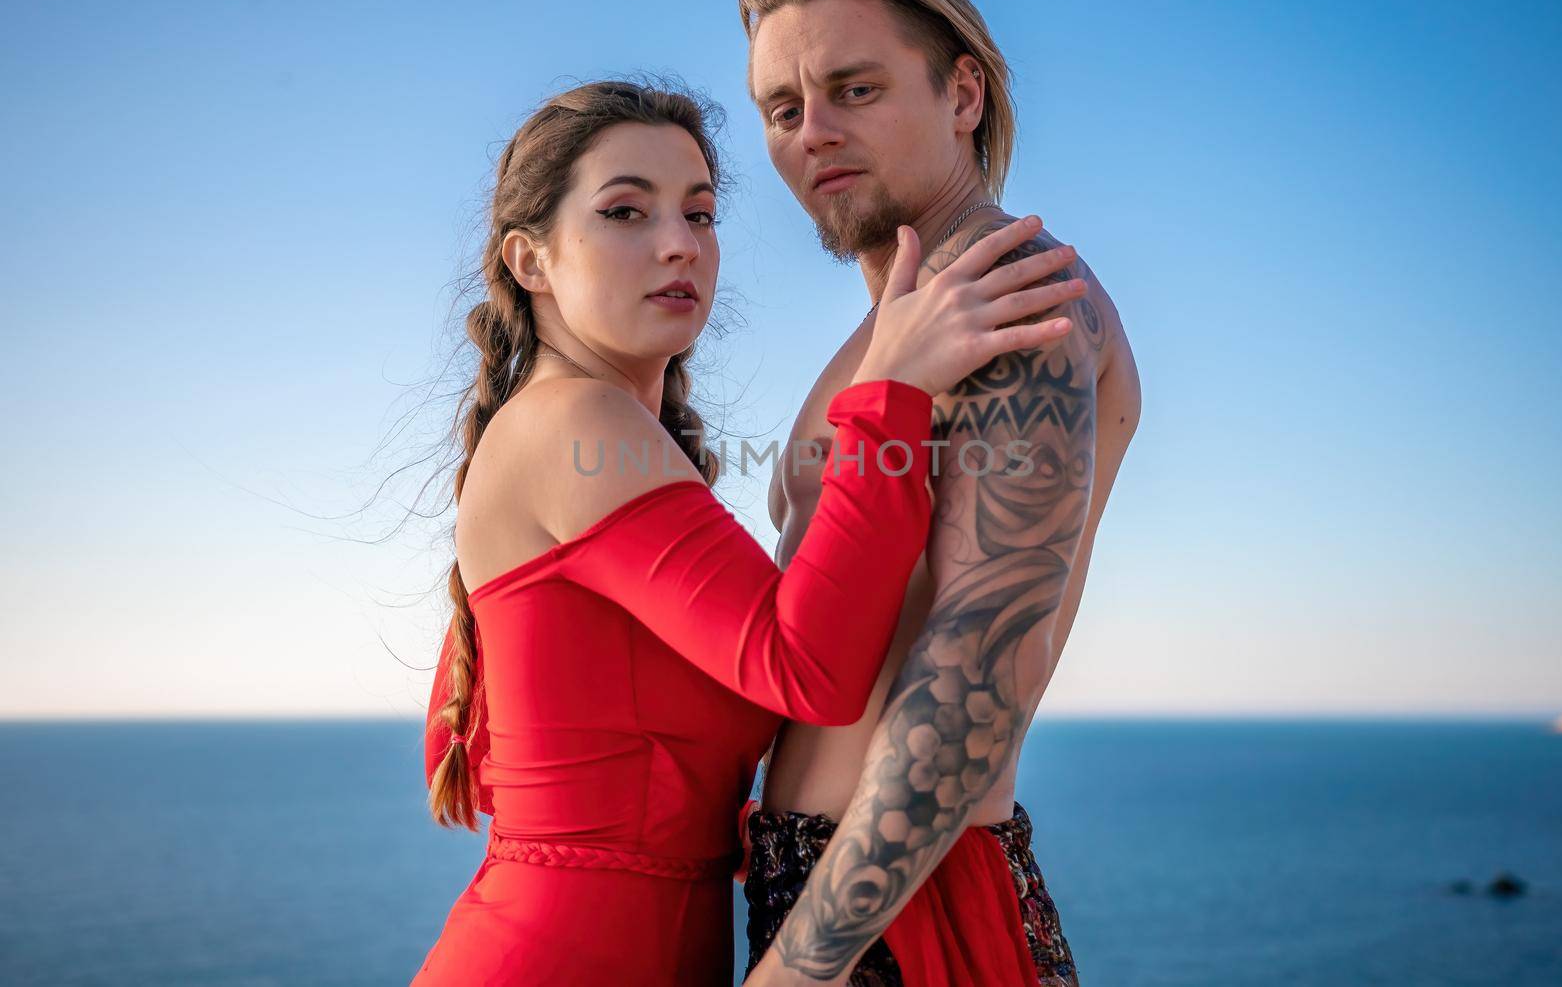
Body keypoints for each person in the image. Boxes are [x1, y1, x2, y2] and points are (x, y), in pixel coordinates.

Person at [410, 79, 1088, 985]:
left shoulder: (603, 435)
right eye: (624, 210)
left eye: (699, 212)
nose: (677, 244)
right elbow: (805, 664)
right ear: (531, 260)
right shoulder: (570, 423)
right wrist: (892, 389)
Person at [737, 0, 1144, 987]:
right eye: (783, 110)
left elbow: (976, 668)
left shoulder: (1018, 298)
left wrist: (799, 968)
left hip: (905, 906)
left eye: (853, 89)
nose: (812, 134)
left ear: (962, 93)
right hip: (828, 897)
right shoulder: (895, 328)